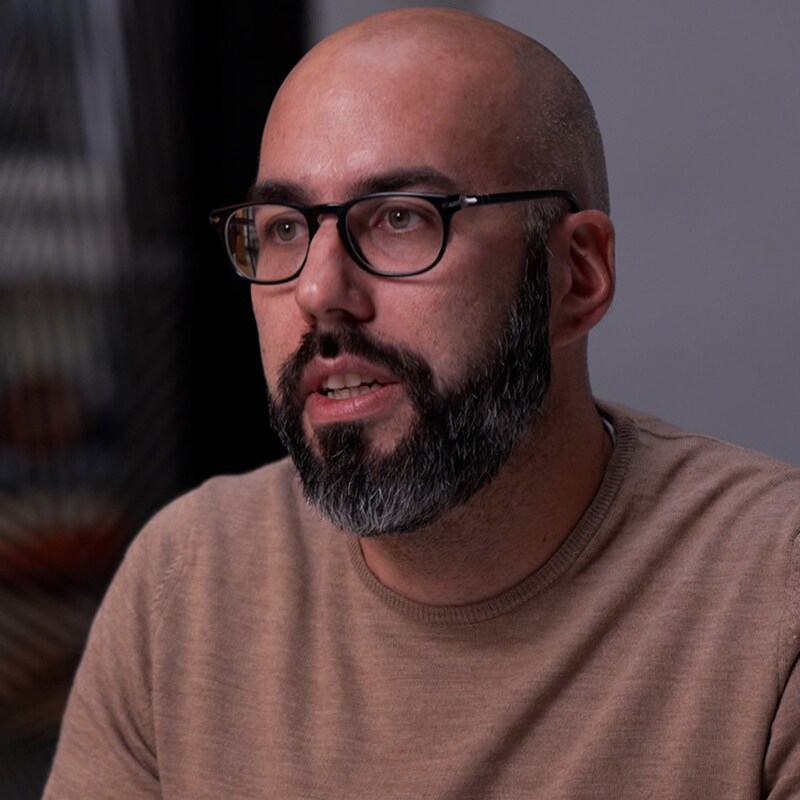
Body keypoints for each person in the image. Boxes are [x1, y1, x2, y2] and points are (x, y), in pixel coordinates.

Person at [44, 8, 799, 798]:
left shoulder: (774, 594)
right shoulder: (186, 583)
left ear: (577, 274)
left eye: (401, 219)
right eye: (284, 228)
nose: (319, 292)